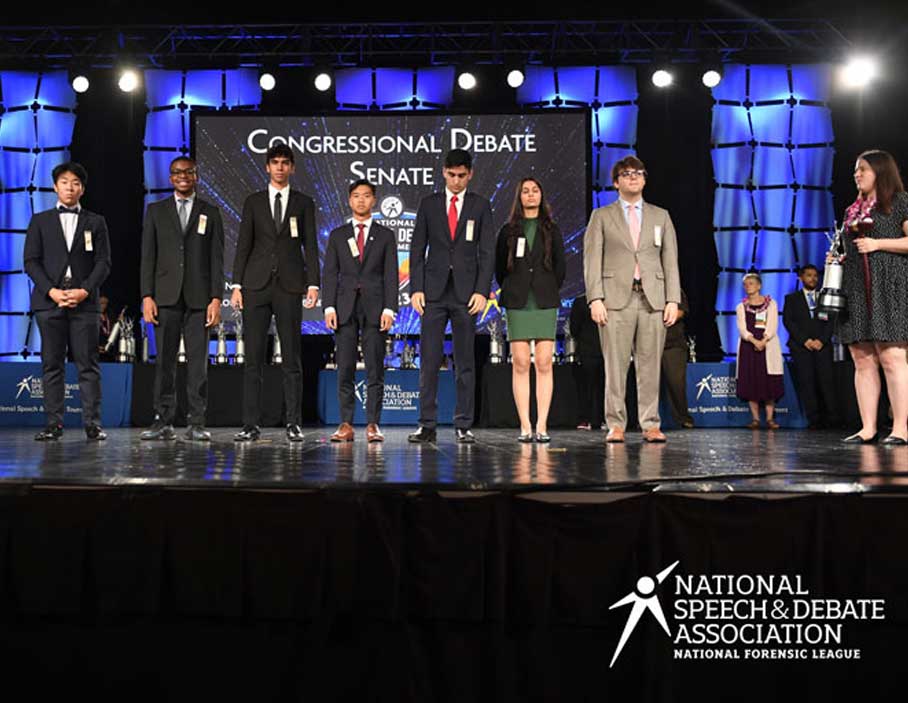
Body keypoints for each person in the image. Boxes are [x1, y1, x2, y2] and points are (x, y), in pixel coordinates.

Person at [582, 155, 681, 443]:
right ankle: (615, 424)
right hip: (614, 299)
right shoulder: (601, 216)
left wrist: (672, 299)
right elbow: (592, 261)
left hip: (652, 298)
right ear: (616, 182)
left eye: (638, 172)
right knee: (615, 367)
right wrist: (595, 298)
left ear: (645, 179)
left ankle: (651, 423)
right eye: (626, 174)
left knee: (650, 365)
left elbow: (670, 260)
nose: (633, 177)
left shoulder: (660, 216)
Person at [230, 144, 320, 442]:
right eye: (275, 163)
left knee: (292, 357)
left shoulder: (304, 202)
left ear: (292, 167)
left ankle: (293, 423)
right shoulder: (253, 201)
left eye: (285, 163)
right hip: (255, 286)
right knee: (253, 358)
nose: (280, 168)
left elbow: (310, 245)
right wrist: (237, 285)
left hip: (290, 285)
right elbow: (244, 244)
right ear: (267, 167)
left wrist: (313, 283)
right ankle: (250, 424)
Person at [408, 149, 494, 443]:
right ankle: (427, 424)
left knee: (464, 361)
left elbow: (487, 252)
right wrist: (415, 288)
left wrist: (482, 291)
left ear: (470, 174)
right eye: (451, 175)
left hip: (466, 294)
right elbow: (417, 249)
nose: (456, 181)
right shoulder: (429, 204)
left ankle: (463, 424)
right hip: (432, 292)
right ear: (443, 172)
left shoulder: (481, 206)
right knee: (429, 360)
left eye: (462, 175)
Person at [23, 161, 111, 441]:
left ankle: (92, 424)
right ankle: (53, 424)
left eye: (75, 183)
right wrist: (52, 291)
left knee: (88, 365)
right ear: (55, 186)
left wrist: (84, 291)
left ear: (82, 189)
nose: (70, 187)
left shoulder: (96, 222)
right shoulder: (40, 220)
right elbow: (30, 262)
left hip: (84, 303)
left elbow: (103, 263)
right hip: (50, 303)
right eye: (64, 182)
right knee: (52, 364)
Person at [140, 156, 225, 441]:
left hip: (200, 300)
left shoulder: (210, 212)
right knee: (164, 362)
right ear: (170, 177)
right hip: (164, 297)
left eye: (188, 172)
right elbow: (147, 257)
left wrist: (216, 299)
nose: (183, 177)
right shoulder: (155, 211)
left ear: (196, 176)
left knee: (198, 365)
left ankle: (197, 422)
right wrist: (147, 296)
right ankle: (162, 420)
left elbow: (216, 259)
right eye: (177, 173)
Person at [836, 150, 908, 445]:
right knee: (862, 358)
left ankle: (900, 428)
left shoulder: (900, 202)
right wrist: (840, 256)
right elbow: (848, 246)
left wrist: (878, 243)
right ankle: (868, 427)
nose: (857, 174)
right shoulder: (852, 210)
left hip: (888, 286)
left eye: (863, 169)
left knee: (892, 357)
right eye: (855, 170)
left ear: (880, 171)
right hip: (856, 287)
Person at [322, 179, 399, 443]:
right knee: (344, 367)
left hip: (376, 309)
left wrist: (390, 308)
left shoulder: (386, 235)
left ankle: (373, 424)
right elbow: (330, 274)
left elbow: (391, 275)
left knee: (375, 368)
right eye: (356, 196)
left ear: (374, 200)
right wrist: (329, 306)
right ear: (349, 200)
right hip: (344, 309)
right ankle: (345, 423)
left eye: (366, 196)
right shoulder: (338, 235)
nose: (361, 200)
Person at [494, 177, 566, 442]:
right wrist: (516, 286)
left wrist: (545, 286)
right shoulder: (508, 230)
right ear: (519, 197)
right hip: (517, 301)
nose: (530, 195)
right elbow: (500, 269)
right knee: (521, 363)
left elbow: (560, 268)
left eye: (535, 190)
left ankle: (542, 426)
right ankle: (525, 426)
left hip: (544, 300)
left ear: (541, 195)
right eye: (525, 191)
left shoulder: (552, 229)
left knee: (545, 363)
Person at [782, 264, 840, 430]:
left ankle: (832, 419)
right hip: (801, 348)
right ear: (801, 278)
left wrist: (822, 340)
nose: (813, 279)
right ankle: (814, 420)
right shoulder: (791, 299)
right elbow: (788, 322)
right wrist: (805, 340)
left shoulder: (826, 297)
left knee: (827, 383)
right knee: (807, 383)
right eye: (809, 275)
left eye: (815, 275)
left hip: (823, 346)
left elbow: (831, 321)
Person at [735, 273, 784, 429]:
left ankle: (770, 419)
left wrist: (763, 340)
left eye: (751, 283)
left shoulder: (771, 304)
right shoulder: (741, 306)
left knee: (768, 380)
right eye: (746, 284)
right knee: (751, 380)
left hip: (767, 345)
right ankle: (755, 419)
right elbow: (742, 328)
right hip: (749, 346)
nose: (748, 286)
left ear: (759, 285)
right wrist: (753, 340)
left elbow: (772, 325)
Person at [569, 295, 605, 431]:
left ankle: (600, 419)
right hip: (588, 350)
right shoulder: (580, 302)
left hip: (604, 350)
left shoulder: (613, 300)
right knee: (586, 387)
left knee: (603, 387)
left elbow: (574, 329)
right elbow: (574, 329)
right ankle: (587, 419)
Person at [661, 289, 695, 429]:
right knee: (646, 384)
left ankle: (683, 418)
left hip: (672, 344)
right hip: (648, 344)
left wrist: (659, 316)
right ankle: (643, 420)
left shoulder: (675, 290)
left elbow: (680, 312)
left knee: (676, 383)